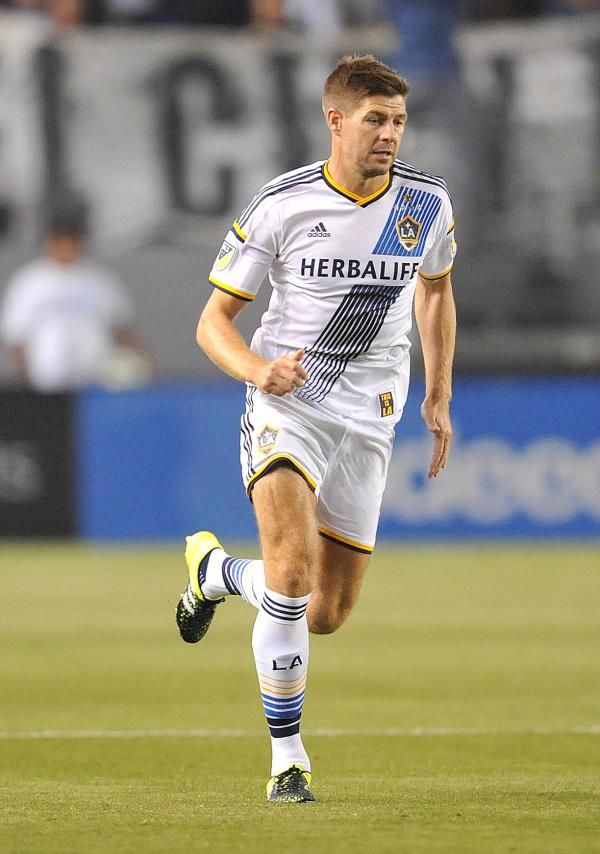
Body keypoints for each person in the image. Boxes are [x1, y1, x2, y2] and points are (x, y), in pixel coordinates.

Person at [176, 54, 456, 803]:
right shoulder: (283, 203)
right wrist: (256, 371)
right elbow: (212, 324)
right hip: (288, 405)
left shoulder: (427, 204)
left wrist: (439, 392)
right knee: (294, 575)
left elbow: (434, 292)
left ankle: (218, 575)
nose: (390, 135)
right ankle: (287, 759)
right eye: (375, 120)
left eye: (398, 121)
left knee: (326, 614)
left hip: (372, 418)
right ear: (335, 120)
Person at [0, 206, 151, 391]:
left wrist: (144, 362)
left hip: (95, 378)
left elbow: (122, 328)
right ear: (49, 242)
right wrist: (24, 379)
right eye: (60, 240)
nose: (66, 246)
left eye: (71, 240)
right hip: (47, 380)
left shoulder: (99, 279)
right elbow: (17, 336)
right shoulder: (30, 282)